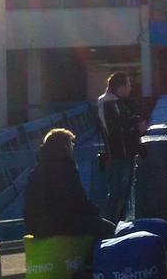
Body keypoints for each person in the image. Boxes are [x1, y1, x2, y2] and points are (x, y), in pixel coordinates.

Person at [23, 128, 115, 240]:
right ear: (65, 147)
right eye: (70, 144)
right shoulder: (65, 169)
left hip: (35, 228)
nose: (72, 148)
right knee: (108, 229)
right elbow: (79, 201)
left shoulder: (36, 170)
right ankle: (91, 257)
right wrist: (96, 212)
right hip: (58, 225)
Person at [97, 71, 145, 222]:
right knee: (117, 195)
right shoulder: (108, 103)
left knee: (123, 195)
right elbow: (116, 132)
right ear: (120, 87)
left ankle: (119, 226)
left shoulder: (117, 103)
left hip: (125, 155)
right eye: (128, 85)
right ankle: (111, 229)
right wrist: (137, 129)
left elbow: (124, 123)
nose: (130, 88)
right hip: (118, 157)